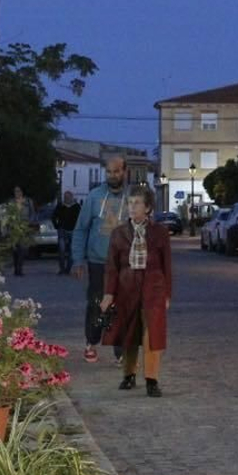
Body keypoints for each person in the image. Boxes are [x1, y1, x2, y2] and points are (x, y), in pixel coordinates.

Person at [98, 185, 172, 397]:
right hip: (127, 288)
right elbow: (112, 267)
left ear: (147, 207)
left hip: (153, 288)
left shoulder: (160, 233)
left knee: (152, 333)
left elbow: (166, 265)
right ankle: (129, 374)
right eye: (130, 203)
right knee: (129, 331)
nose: (132, 207)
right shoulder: (119, 233)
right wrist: (108, 293)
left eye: (137, 203)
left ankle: (152, 379)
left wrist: (167, 294)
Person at [70, 155, 129, 363]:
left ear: (124, 172)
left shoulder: (134, 198)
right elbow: (81, 229)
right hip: (98, 261)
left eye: (117, 171)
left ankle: (121, 350)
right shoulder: (94, 197)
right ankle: (91, 341)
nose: (112, 175)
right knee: (97, 303)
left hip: (125, 264)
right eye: (109, 172)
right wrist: (78, 260)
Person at [1, 186, 34, 276]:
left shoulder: (28, 201)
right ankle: (16, 267)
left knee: (22, 248)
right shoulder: (11, 202)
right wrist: (6, 227)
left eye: (19, 191)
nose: (17, 193)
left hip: (24, 227)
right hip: (13, 227)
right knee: (15, 249)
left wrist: (29, 223)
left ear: (22, 192)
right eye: (15, 191)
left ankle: (20, 269)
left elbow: (32, 214)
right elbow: (6, 214)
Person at [52, 190, 81, 275]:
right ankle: (62, 269)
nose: (67, 199)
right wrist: (56, 226)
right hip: (62, 230)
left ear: (72, 197)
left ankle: (68, 269)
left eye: (68, 197)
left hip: (73, 231)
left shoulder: (76, 207)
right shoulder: (60, 206)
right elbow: (54, 216)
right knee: (61, 250)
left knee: (72, 252)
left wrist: (78, 228)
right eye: (65, 197)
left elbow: (81, 218)